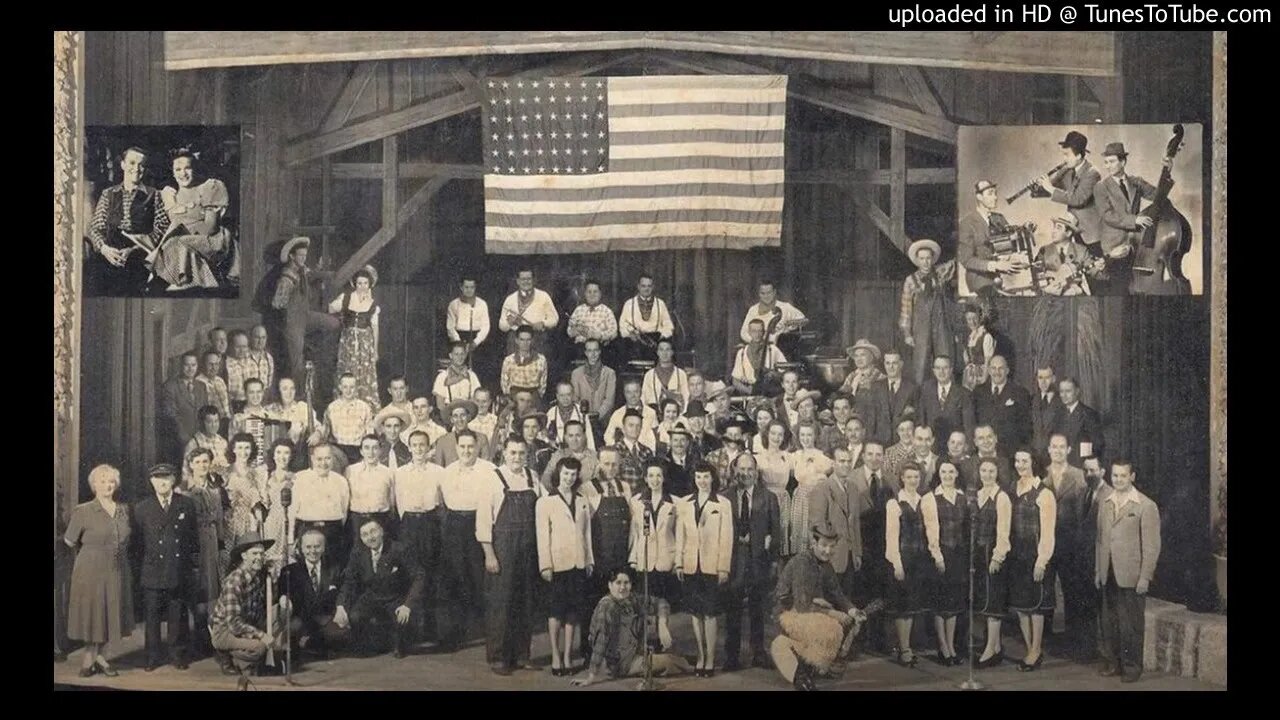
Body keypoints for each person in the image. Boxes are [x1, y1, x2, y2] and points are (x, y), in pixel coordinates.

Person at [770, 524, 871, 691]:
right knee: (829, 627)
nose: (827, 551)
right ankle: (800, 675)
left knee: (845, 623)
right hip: (787, 614)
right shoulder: (803, 562)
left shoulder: (826, 565)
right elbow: (802, 606)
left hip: (807, 612)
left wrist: (853, 611)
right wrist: (833, 613)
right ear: (814, 543)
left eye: (832, 547)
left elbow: (837, 593)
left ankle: (811, 668)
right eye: (823, 545)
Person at [478, 437, 548, 675]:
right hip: (503, 549)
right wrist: (490, 555)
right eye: (513, 453)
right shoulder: (493, 479)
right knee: (501, 603)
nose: (517, 457)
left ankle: (522, 655)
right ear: (504, 453)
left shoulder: (532, 478)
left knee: (525, 601)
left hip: (528, 548)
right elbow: (484, 521)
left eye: (521, 453)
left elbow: (546, 507)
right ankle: (498, 657)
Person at [65, 464, 134, 678]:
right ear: (94, 485)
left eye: (111, 481)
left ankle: (101, 656)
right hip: (90, 569)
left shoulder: (123, 510)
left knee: (109, 612)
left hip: (117, 567)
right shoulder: (83, 510)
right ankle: (90, 656)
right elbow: (69, 540)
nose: (107, 485)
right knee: (93, 613)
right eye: (102, 481)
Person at [1095, 459, 1161, 683]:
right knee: (1109, 622)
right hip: (1108, 572)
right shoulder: (1105, 501)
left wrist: (1145, 576)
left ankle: (1132, 668)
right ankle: (1113, 663)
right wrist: (1098, 571)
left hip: (1131, 576)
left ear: (1132, 477)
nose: (1118, 480)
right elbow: (1100, 540)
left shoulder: (1145, 505)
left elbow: (1152, 546)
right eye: (1115, 476)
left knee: (1131, 625)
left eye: (1123, 476)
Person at [570, 567, 689, 687]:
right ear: (610, 585)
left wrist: (662, 625)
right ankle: (690, 667)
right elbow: (601, 640)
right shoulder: (606, 607)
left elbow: (661, 603)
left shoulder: (632, 599)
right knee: (669, 661)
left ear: (631, 585)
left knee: (675, 655)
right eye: (618, 583)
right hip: (621, 664)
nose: (622, 587)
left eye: (626, 583)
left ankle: (685, 662)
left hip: (635, 653)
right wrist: (591, 676)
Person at [132, 464, 199, 671]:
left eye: (166, 478)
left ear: (173, 480)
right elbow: (137, 543)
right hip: (152, 569)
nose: (162, 482)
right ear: (152, 482)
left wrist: (190, 568)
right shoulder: (142, 508)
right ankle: (152, 657)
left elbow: (192, 540)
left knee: (177, 613)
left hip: (177, 568)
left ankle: (177, 654)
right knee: (151, 615)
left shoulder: (186, 504)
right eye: (157, 478)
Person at [436, 431, 496, 651]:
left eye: (470, 446)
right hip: (454, 526)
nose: (467, 451)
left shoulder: (489, 470)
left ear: (478, 447)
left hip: (478, 522)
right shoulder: (448, 472)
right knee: (454, 577)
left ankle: (490, 631)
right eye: (462, 447)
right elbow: (443, 501)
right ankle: (456, 633)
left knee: (480, 577)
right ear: (456, 447)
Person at [537, 457, 596, 675]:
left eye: (573, 474)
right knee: (556, 611)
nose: (569, 478)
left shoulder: (582, 500)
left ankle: (568, 657)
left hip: (578, 563)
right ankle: (555, 654)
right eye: (565, 474)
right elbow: (542, 535)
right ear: (558, 475)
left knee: (572, 612)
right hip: (557, 563)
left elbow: (586, 533)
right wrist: (546, 565)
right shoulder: (546, 502)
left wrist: (589, 559)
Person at [86, 146, 171, 295]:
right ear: (123, 165)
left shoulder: (154, 195)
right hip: (109, 251)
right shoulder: (108, 194)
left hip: (140, 253)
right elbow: (96, 227)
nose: (137, 168)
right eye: (132, 163)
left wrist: (134, 250)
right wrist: (105, 249)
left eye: (141, 164)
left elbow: (162, 229)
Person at [334, 518, 424, 658]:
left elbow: (419, 576)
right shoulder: (358, 552)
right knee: (355, 617)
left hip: (395, 597)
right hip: (372, 596)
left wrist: (407, 605)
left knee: (402, 622)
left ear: (382, 532)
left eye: (373, 531)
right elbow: (349, 581)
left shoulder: (399, 549)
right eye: (365, 534)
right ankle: (371, 645)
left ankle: (398, 643)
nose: (370, 537)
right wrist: (340, 606)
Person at [676, 464, 735, 677]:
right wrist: (679, 563)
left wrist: (723, 568)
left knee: (710, 614)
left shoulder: (723, 503)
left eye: (706, 477)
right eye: (698, 476)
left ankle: (710, 659)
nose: (702, 481)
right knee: (695, 613)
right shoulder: (685, 503)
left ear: (713, 479)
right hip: (691, 565)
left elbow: (726, 538)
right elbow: (680, 535)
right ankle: (700, 656)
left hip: (712, 566)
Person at [724, 454, 781, 671]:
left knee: (758, 608)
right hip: (733, 560)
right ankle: (732, 656)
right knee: (733, 608)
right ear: (734, 470)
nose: (745, 473)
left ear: (756, 472)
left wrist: (774, 562)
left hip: (759, 560)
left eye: (750, 469)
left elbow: (775, 532)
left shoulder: (768, 498)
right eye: (741, 469)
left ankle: (758, 652)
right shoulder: (725, 497)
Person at [208, 532, 288, 680]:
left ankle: (250, 658)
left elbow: (269, 603)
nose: (259, 558)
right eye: (254, 554)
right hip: (225, 631)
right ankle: (227, 654)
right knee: (259, 647)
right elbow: (234, 623)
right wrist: (262, 635)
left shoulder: (257, 575)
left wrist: (273, 579)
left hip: (248, 623)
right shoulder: (235, 581)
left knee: (282, 611)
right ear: (244, 556)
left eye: (262, 554)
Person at [152, 150, 235, 290]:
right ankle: (180, 281)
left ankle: (187, 282)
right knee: (168, 246)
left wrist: (183, 233)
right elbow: (164, 227)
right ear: (172, 172)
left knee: (179, 242)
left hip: (211, 240)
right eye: (178, 169)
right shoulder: (169, 196)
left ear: (194, 169)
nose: (183, 173)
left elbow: (211, 227)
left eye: (187, 168)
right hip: (178, 246)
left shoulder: (208, 187)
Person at [1008, 449, 1058, 672]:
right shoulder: (1013, 488)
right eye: (1017, 460)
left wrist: (1042, 561)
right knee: (1021, 606)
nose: (1020, 465)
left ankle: (1036, 649)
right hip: (1016, 554)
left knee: (1036, 606)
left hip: (1035, 554)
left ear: (1033, 462)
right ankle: (1030, 649)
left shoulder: (1044, 493)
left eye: (1025, 461)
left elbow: (1048, 532)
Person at [266, 237, 340, 385]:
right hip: (293, 322)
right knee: (296, 362)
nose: (303, 258)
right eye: (300, 255)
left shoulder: (302, 269)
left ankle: (313, 348)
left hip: (306, 316)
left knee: (334, 323)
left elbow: (312, 274)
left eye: (305, 255)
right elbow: (277, 303)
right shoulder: (287, 277)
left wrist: (331, 274)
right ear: (292, 256)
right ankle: (300, 393)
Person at [1094, 141, 1165, 294]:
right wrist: (1135, 220)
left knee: (1136, 289)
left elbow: (1159, 196)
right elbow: (1107, 215)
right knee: (1119, 289)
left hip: (1136, 244)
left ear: (1123, 162)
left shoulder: (1135, 182)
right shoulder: (1101, 187)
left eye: (1112, 161)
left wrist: (1167, 169)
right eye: (1106, 162)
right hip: (1114, 246)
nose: (1108, 166)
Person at [395, 430, 445, 639]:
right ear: (409, 448)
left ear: (428, 447)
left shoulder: (438, 471)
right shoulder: (400, 473)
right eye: (414, 445)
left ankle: (430, 628)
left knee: (430, 573)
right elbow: (397, 501)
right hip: (409, 524)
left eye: (422, 445)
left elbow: (443, 500)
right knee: (410, 572)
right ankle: (410, 629)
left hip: (430, 523)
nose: (418, 449)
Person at [180, 448, 229, 662]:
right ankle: (196, 639)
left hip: (211, 543)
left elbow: (219, 519)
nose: (202, 465)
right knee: (196, 590)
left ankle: (210, 639)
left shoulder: (216, 489)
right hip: (193, 542)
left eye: (205, 461)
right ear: (190, 464)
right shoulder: (183, 490)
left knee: (212, 591)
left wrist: (220, 543)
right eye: (198, 461)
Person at [581, 449, 632, 646]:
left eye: (614, 464)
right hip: (599, 555)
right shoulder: (587, 488)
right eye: (606, 464)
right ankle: (590, 649)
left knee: (619, 603)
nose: (610, 469)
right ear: (598, 464)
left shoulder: (624, 487)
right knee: (594, 604)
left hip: (620, 556)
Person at [1043, 434, 1089, 652]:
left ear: (1069, 450)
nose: (1058, 451)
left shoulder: (1079, 476)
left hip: (1069, 543)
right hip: (1046, 541)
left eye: (1062, 447)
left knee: (1072, 590)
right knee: (1046, 588)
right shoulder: (1042, 475)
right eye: (1054, 447)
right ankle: (1045, 639)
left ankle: (1074, 641)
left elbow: (1082, 514)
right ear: (1049, 449)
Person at [885, 462, 933, 667]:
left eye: (916, 477)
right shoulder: (894, 503)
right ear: (902, 479)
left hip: (919, 558)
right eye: (909, 477)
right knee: (901, 606)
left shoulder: (923, 501)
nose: (913, 480)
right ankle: (904, 648)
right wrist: (897, 564)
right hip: (903, 558)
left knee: (912, 605)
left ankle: (907, 646)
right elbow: (892, 537)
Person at [922, 460, 968, 666]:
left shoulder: (962, 497)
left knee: (954, 603)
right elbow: (931, 532)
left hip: (958, 556)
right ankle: (943, 647)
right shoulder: (931, 498)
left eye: (951, 471)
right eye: (943, 472)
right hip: (940, 555)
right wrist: (938, 556)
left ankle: (951, 646)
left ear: (956, 473)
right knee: (941, 604)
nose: (947, 475)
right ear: (938, 474)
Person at [278, 529, 348, 663]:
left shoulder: (335, 569)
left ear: (323, 548)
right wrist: (284, 599)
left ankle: (312, 643)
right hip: (301, 618)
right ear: (301, 549)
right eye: (308, 547)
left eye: (317, 546)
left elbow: (342, 591)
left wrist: (340, 607)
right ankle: (304, 646)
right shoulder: (289, 571)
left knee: (341, 633)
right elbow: (283, 592)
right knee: (292, 629)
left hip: (324, 618)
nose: (313, 551)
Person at [972, 457, 1014, 668]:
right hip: (978, 554)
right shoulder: (977, 495)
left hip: (994, 554)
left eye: (991, 471)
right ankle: (995, 646)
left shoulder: (1002, 497)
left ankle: (990, 648)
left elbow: (1004, 531)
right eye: (984, 471)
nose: (987, 475)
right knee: (985, 600)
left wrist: (998, 557)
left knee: (994, 603)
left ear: (997, 473)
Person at [809, 447, 864, 601]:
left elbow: (855, 523)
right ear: (833, 463)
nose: (846, 465)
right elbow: (817, 525)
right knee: (830, 602)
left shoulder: (853, 488)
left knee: (847, 601)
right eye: (841, 461)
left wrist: (857, 553)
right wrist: (824, 555)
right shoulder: (822, 488)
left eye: (848, 461)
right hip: (831, 556)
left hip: (850, 557)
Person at [899, 238, 957, 384]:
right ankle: (919, 400)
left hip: (940, 326)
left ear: (933, 259)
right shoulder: (911, 280)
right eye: (922, 259)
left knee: (945, 359)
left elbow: (955, 263)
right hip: (920, 328)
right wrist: (907, 333)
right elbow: (906, 310)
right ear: (917, 260)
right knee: (921, 364)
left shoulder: (940, 274)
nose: (925, 262)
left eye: (928, 258)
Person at [629, 461, 680, 623]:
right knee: (645, 601)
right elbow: (635, 533)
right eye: (651, 475)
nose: (655, 480)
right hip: (645, 558)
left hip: (666, 558)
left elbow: (678, 534)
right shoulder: (636, 501)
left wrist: (678, 561)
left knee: (663, 602)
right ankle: (647, 641)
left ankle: (662, 636)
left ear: (664, 478)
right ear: (645, 478)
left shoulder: (675, 502)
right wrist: (633, 558)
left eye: (658, 475)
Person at [1036, 130, 1104, 248]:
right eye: (1063, 155)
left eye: (1067, 155)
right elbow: (1050, 189)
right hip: (1074, 229)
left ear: (1078, 156)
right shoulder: (1066, 170)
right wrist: (1037, 187)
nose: (1064, 159)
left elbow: (1077, 199)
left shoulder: (1092, 173)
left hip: (1091, 234)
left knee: (1093, 264)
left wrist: (1049, 188)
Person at [1076, 454, 1114, 662]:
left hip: (1100, 560)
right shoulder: (1085, 493)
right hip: (1085, 560)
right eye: (1086, 470)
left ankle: (1108, 654)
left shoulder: (1109, 495)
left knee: (1104, 610)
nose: (1089, 474)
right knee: (1088, 606)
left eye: (1093, 470)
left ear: (1102, 472)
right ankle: (1090, 651)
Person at [329, 265, 381, 410]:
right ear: (355, 284)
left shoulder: (372, 304)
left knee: (364, 374)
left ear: (369, 284)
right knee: (347, 370)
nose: (362, 287)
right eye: (359, 283)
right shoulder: (346, 298)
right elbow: (330, 308)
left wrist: (375, 350)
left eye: (365, 283)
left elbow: (375, 328)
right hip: (348, 342)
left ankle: (364, 407)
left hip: (365, 344)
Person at [957, 179, 1020, 297]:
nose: (995, 197)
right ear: (979, 197)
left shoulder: (999, 219)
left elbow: (1009, 246)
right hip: (981, 281)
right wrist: (995, 265)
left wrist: (1017, 237)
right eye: (990, 193)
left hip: (1003, 277)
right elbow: (966, 260)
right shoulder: (966, 224)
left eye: (995, 193)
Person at [290, 443, 350, 566]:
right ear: (312, 459)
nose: (324, 463)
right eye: (319, 459)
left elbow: (344, 511)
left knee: (333, 570)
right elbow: (292, 512)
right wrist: (291, 541)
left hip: (332, 533)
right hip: (307, 530)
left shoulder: (341, 481)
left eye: (328, 458)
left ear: (333, 458)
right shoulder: (301, 479)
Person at [788, 423, 833, 557]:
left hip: (817, 499)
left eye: (809, 435)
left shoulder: (823, 457)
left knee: (815, 533)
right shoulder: (795, 456)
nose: (805, 438)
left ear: (815, 436)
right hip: (800, 498)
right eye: (802, 435)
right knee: (800, 533)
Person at [974, 355, 1032, 453]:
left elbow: (1025, 426)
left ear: (1007, 370)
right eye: (993, 368)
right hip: (984, 452)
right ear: (988, 370)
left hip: (1010, 451)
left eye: (1001, 368)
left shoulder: (1020, 393)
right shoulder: (978, 392)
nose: (997, 372)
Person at [346, 434, 397, 546]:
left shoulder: (388, 473)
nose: (371, 452)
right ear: (361, 451)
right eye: (367, 448)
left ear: (380, 450)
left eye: (375, 448)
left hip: (381, 518)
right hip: (357, 520)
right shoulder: (350, 471)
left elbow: (392, 500)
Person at [838, 339, 891, 445]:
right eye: (856, 356)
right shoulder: (851, 376)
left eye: (863, 355)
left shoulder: (880, 377)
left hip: (870, 427)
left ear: (871, 357)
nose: (859, 359)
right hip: (851, 427)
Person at [919, 356, 974, 455]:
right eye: (938, 368)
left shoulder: (964, 394)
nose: (941, 372)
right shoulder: (926, 390)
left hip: (955, 450)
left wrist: (967, 451)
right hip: (931, 449)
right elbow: (922, 420)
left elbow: (968, 426)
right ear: (934, 370)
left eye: (945, 368)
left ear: (951, 370)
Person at [498, 268, 559, 355]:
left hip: (537, 338)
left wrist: (543, 323)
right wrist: (510, 323)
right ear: (518, 281)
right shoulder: (510, 299)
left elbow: (555, 319)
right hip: (516, 339)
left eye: (529, 279)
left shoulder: (543, 296)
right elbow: (501, 325)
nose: (526, 282)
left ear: (533, 280)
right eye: (523, 279)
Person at [739, 280, 807, 358]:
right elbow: (743, 333)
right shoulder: (753, 310)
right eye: (763, 293)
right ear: (759, 294)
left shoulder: (785, 307)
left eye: (769, 293)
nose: (766, 296)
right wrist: (757, 342)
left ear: (774, 292)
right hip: (759, 350)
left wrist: (787, 326)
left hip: (780, 349)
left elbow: (803, 320)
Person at [161, 352, 209, 461]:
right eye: (186, 365)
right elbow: (171, 415)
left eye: (193, 365)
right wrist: (187, 440)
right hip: (179, 441)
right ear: (180, 366)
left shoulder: (201, 386)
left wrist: (202, 437)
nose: (190, 369)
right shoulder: (170, 386)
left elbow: (205, 413)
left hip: (199, 439)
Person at [618, 273, 675, 364]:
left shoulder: (660, 304)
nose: (646, 289)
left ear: (653, 287)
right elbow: (622, 326)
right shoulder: (629, 304)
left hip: (654, 341)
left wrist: (662, 335)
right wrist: (630, 334)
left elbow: (669, 326)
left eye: (649, 286)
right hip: (635, 342)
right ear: (638, 287)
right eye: (643, 286)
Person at [756, 420, 793, 556]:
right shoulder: (759, 457)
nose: (776, 438)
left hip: (783, 500)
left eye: (780, 434)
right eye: (773, 433)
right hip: (766, 501)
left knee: (783, 537)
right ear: (767, 434)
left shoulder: (789, 457)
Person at [1037, 215, 1096, 296]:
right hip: (1051, 296)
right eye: (1054, 227)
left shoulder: (1081, 250)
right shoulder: (1044, 250)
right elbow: (1036, 274)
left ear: (1068, 233)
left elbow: (1094, 271)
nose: (1053, 231)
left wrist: (1100, 266)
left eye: (1058, 228)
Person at [325, 373, 376, 464]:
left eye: (351, 387)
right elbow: (325, 431)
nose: (348, 391)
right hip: (337, 449)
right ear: (340, 387)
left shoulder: (364, 407)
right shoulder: (332, 407)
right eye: (345, 387)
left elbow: (369, 433)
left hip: (358, 450)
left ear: (356, 388)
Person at [446, 275, 491, 371]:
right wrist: (460, 344)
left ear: (475, 288)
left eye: (472, 287)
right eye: (466, 287)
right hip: (459, 339)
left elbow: (486, 326)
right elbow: (450, 327)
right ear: (461, 287)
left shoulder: (482, 304)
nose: (469, 290)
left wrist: (476, 342)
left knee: (479, 370)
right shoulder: (453, 305)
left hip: (477, 341)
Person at [732, 318, 786, 395]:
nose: (757, 334)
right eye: (754, 331)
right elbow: (735, 380)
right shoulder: (742, 352)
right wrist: (750, 391)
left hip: (770, 393)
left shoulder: (772, 349)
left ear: (764, 332)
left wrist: (773, 374)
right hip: (750, 394)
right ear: (749, 332)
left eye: (760, 331)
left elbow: (785, 374)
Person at [262, 439, 294, 564]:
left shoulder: (296, 478)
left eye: (286, 453)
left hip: (288, 522)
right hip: (270, 523)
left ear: (291, 456)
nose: (282, 457)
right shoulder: (266, 477)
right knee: (270, 560)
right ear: (273, 455)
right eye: (279, 452)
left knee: (286, 561)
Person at [1054, 377, 1103, 461]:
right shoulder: (1058, 414)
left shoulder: (1089, 414)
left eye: (1068, 391)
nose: (1064, 395)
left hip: (1079, 465)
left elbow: (1097, 444)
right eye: (1061, 391)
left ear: (1077, 391)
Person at [542, 420, 599, 491]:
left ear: (584, 436)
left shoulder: (595, 457)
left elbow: (598, 484)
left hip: (587, 498)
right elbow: (546, 477)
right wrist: (554, 493)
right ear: (565, 437)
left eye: (578, 435)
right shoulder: (559, 455)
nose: (574, 439)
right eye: (570, 436)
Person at [571, 339, 617, 425]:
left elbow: (609, 401)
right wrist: (584, 417)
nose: (593, 354)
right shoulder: (576, 374)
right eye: (589, 351)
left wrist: (597, 415)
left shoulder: (610, 373)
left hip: (603, 421)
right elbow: (575, 398)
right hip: (582, 420)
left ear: (599, 352)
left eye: (595, 350)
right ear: (585, 353)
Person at [435, 399, 491, 468]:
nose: (459, 419)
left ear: (468, 417)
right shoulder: (442, 441)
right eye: (455, 416)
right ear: (451, 419)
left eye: (463, 415)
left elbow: (486, 467)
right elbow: (439, 470)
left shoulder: (481, 439)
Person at [604, 380, 658, 450]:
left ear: (641, 392)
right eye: (629, 392)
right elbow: (608, 437)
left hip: (645, 453)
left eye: (636, 392)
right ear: (624, 394)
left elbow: (655, 437)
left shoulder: (651, 413)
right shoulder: (617, 414)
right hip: (623, 454)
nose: (633, 396)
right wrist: (618, 449)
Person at [961, 425, 1015, 494]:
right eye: (981, 438)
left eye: (989, 437)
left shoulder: (1009, 462)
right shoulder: (965, 466)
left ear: (995, 438)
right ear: (975, 442)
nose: (986, 441)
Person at [500, 325, 549, 401]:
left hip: (533, 397)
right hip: (514, 397)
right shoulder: (509, 360)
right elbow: (504, 384)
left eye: (528, 340)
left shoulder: (541, 359)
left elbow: (542, 385)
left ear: (532, 340)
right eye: (522, 340)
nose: (525, 343)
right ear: (516, 340)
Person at [566, 279, 618, 349]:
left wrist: (600, 335)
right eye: (589, 292)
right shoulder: (578, 310)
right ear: (585, 294)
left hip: (599, 347)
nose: (592, 295)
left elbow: (614, 332)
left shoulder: (607, 311)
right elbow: (569, 331)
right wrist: (577, 330)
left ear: (600, 294)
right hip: (580, 347)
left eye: (595, 292)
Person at [546, 381, 597, 452]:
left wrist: (592, 455)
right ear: (557, 396)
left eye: (568, 395)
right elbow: (545, 436)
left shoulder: (581, 412)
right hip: (557, 452)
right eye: (562, 395)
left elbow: (589, 436)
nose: (565, 398)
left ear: (573, 395)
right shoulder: (551, 412)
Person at [613, 408, 656, 490]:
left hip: (643, 498)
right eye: (631, 425)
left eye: (638, 425)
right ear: (623, 428)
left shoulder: (647, 451)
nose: (635, 429)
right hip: (622, 498)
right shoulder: (615, 450)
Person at [641, 339, 690, 410]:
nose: (664, 353)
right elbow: (644, 398)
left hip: (675, 414)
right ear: (657, 352)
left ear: (672, 352)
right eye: (661, 350)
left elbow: (686, 397)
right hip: (654, 415)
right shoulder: (649, 375)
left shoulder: (681, 374)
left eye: (667, 349)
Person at [434, 341, 482, 411]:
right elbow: (440, 404)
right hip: (449, 413)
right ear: (451, 355)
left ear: (465, 355)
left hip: (468, 412)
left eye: (462, 354)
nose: (460, 357)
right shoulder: (442, 376)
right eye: (456, 354)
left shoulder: (471, 375)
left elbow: (475, 398)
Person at [1031, 365, 1064, 466]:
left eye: (1047, 378)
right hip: (1035, 459)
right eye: (1040, 378)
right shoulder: (1032, 400)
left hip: (1055, 459)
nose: (1043, 382)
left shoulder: (1062, 402)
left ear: (1053, 379)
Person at [960, 304, 995, 391]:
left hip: (982, 373)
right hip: (970, 374)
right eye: (969, 319)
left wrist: (984, 378)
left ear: (980, 318)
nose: (972, 322)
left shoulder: (986, 337)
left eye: (974, 318)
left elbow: (988, 361)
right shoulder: (970, 336)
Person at [661, 420, 700, 499]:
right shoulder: (663, 462)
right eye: (675, 440)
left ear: (688, 442)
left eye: (682, 440)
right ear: (670, 442)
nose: (679, 444)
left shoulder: (695, 462)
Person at [186, 405, 230, 474]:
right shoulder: (194, 444)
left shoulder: (223, 442)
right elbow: (186, 472)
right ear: (202, 423)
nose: (214, 425)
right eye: (209, 422)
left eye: (216, 421)